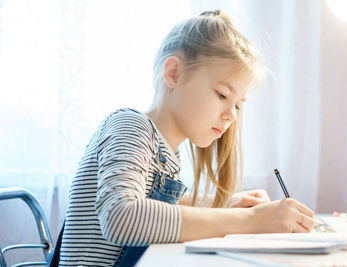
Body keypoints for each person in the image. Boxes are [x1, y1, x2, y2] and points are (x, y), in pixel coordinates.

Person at [56, 10, 316, 266]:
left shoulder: (167, 151)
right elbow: (121, 216)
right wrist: (251, 220)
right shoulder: (131, 126)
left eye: (237, 105)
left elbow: (152, 204)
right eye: (223, 95)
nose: (232, 116)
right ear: (174, 74)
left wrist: (231, 204)